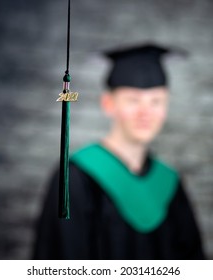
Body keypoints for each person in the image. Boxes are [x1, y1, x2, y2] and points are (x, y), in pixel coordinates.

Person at [32, 44, 205, 259]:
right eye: (133, 100)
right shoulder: (76, 179)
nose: (145, 113)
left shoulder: (170, 184)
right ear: (108, 104)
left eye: (156, 101)